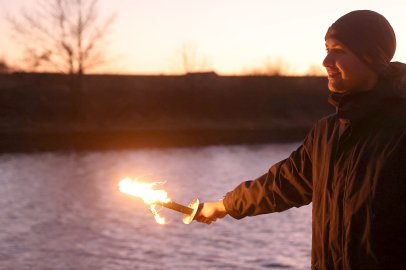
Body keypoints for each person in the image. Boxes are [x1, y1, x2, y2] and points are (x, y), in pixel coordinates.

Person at [194, 10, 406, 270]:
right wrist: (224, 205)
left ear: (371, 57)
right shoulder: (326, 133)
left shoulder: (400, 131)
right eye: (327, 49)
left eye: (339, 50)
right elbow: (282, 183)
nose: (326, 60)